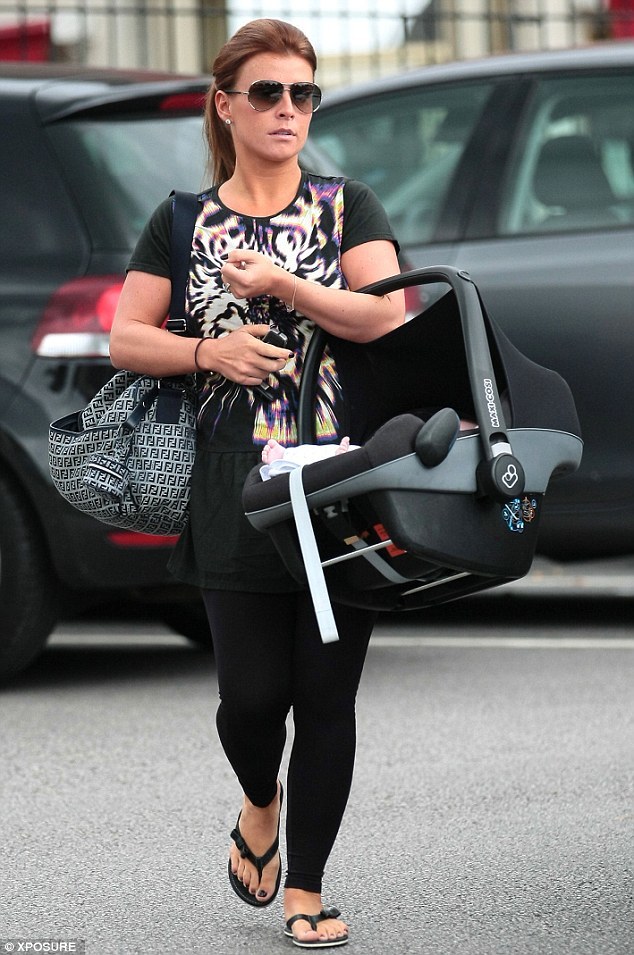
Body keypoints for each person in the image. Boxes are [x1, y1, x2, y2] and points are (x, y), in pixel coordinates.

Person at [109, 18, 405, 949]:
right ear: (226, 106)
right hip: (233, 479)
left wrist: (287, 286)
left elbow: (387, 316)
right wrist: (210, 351)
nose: (288, 109)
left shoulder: (347, 205)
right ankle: (258, 798)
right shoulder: (181, 220)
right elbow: (126, 338)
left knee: (326, 695)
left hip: (340, 479)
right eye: (268, 92)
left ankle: (306, 885)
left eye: (303, 93)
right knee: (248, 697)